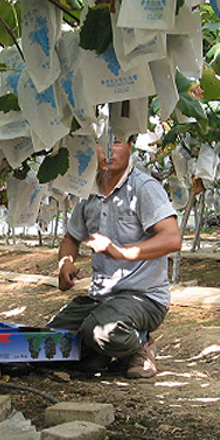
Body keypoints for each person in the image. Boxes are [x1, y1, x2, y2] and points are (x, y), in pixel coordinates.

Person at [48, 136, 181, 378]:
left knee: (99, 331)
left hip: (144, 297)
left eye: (116, 142)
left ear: (131, 146)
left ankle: (141, 344)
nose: (107, 150)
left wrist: (121, 252)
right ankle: (103, 354)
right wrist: (65, 264)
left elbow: (172, 239)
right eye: (99, 142)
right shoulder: (88, 192)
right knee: (53, 342)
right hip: (102, 298)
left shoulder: (143, 188)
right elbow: (71, 239)